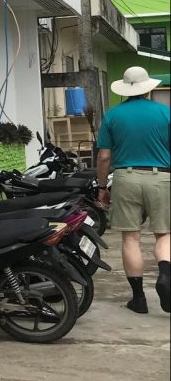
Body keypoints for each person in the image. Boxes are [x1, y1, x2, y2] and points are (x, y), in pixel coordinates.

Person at [95, 66, 170, 314]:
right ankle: (165, 277)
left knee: (131, 237)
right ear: (148, 87)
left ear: (124, 90)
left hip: (126, 177)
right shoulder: (164, 112)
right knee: (164, 235)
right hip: (161, 178)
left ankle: (138, 299)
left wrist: (102, 186)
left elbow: (105, 156)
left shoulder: (113, 116)